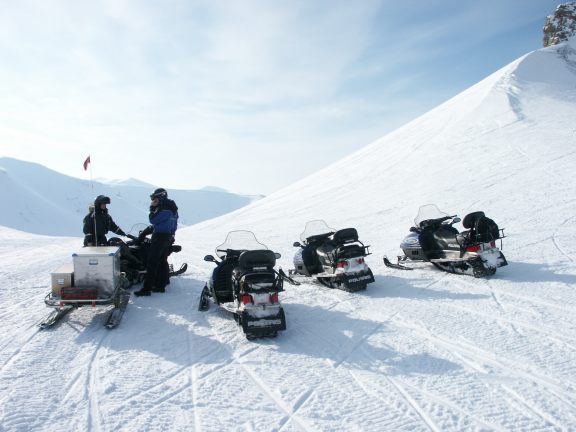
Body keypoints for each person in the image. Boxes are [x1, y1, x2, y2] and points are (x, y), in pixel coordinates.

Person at [134, 188, 179, 297]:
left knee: (152, 263)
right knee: (162, 261)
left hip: (159, 237)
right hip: (168, 237)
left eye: (155, 198)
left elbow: (153, 220)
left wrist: (152, 208)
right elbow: (174, 225)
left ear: (160, 197)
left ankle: (147, 289)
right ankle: (160, 285)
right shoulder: (173, 209)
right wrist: (171, 235)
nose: (153, 200)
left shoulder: (164, 209)